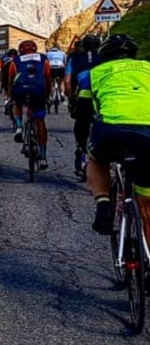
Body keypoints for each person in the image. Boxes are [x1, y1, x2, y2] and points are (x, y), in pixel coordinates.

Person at [85, 34, 150, 243]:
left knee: (96, 159)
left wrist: (82, 141)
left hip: (111, 130)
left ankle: (103, 203)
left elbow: (83, 113)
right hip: (148, 133)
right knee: (147, 204)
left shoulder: (94, 73)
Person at [6, 39, 52, 169]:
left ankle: (19, 127)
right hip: (38, 90)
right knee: (40, 121)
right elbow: (48, 78)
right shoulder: (44, 59)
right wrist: (47, 95)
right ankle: (43, 157)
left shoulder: (15, 60)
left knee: (17, 103)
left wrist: (10, 95)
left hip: (21, 90)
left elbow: (10, 80)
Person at [65, 34, 102, 176]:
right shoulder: (104, 56)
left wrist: (70, 99)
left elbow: (68, 81)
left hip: (84, 95)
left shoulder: (74, 57)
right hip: (102, 96)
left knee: (81, 126)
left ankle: (81, 152)